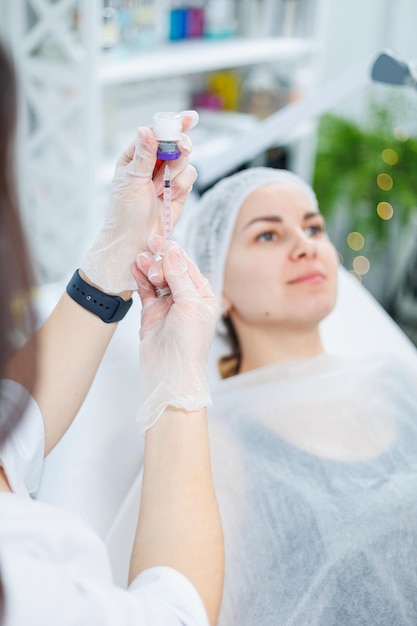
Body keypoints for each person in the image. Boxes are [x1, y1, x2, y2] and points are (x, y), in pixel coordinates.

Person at [0, 41, 224, 626]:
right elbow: (174, 615)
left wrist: (109, 267)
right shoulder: (23, 574)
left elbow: (10, 424)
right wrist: (178, 386)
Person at [179, 166, 417, 625]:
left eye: (313, 227)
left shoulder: (397, 379)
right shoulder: (217, 441)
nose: (305, 244)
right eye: (268, 235)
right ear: (217, 287)